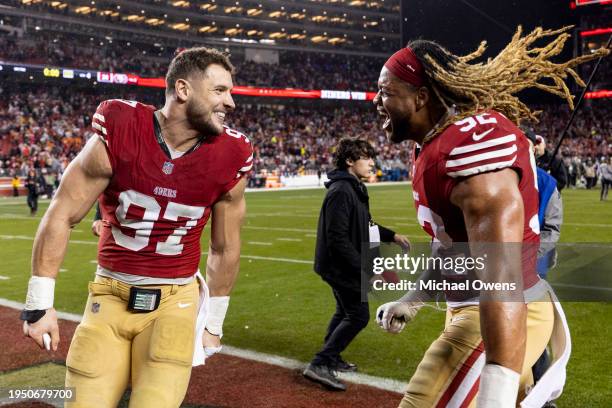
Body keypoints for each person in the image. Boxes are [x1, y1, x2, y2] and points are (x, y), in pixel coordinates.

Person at [373, 26, 606, 408]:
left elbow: (503, 277)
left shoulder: (468, 149)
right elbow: (452, 248)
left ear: (420, 97)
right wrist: (413, 299)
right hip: (473, 309)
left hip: (505, 312)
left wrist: (494, 388)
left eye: (386, 91)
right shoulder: (435, 146)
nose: (376, 101)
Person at [20, 47, 253, 408]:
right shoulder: (121, 127)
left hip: (175, 303)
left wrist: (213, 324)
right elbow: (61, 213)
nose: (231, 103)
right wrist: (39, 304)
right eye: (220, 91)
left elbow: (225, 247)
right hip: (109, 296)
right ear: (183, 89)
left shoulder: (231, 153)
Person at [303, 138, 410, 391]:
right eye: (366, 157)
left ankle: (331, 357)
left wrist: (391, 235)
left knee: (344, 311)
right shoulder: (342, 191)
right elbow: (337, 238)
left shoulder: (354, 188)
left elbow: (367, 225)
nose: (373, 162)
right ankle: (320, 363)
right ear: (350, 161)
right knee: (358, 315)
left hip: (341, 265)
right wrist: (366, 273)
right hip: (340, 266)